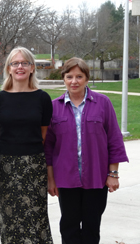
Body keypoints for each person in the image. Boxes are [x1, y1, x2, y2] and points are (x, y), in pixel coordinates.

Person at [44, 57, 129, 244]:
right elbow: (48, 147)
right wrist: (50, 179)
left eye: (79, 76)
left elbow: (114, 139)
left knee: (92, 226)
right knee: (69, 226)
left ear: (87, 78)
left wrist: (113, 173)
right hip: (65, 179)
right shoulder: (53, 107)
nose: (74, 81)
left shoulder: (103, 103)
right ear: (63, 79)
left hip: (96, 177)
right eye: (69, 76)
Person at [0, 46, 54, 243]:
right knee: (10, 217)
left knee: (36, 215)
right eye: (15, 63)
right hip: (6, 166)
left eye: (24, 63)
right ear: (8, 68)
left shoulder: (42, 98)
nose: (20, 67)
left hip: (34, 165)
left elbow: (43, 135)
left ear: (32, 68)